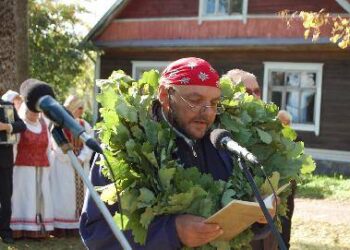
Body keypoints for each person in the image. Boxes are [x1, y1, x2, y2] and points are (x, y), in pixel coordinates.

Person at [80, 58, 276, 249]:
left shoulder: (222, 144)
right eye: (195, 100)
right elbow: (96, 233)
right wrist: (172, 231)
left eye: (214, 103)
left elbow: (234, 230)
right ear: (165, 96)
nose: (207, 112)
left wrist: (259, 219)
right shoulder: (123, 150)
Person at [225, 68, 295, 249]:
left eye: (257, 91)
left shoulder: (270, 132)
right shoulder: (221, 136)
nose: (254, 97)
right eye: (247, 92)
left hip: (270, 239)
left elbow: (286, 204)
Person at [10, 79, 54, 239]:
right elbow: (15, 147)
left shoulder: (43, 125)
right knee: (24, 197)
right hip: (22, 168)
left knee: (39, 197)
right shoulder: (21, 125)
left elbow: (48, 147)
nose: (34, 114)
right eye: (31, 111)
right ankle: (20, 228)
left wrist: (49, 165)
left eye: (36, 112)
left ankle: (38, 228)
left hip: (41, 168)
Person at [51, 95, 93, 235]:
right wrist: (70, 158)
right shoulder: (58, 124)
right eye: (79, 108)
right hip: (64, 166)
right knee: (65, 195)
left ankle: (78, 227)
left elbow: (89, 142)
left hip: (81, 165)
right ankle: (62, 227)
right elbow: (55, 145)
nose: (81, 111)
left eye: (82, 108)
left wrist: (81, 158)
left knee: (81, 195)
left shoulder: (84, 124)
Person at [0, 95, 26, 244]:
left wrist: (7, 127)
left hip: (5, 158)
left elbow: (22, 126)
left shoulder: (7, 107)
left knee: (5, 197)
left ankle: (5, 231)